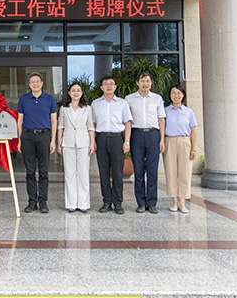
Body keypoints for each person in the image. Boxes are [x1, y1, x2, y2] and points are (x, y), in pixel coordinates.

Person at [125, 71, 166, 214]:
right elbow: (127, 121)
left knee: (152, 171)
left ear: (151, 83)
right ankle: (141, 203)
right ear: (137, 83)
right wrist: (127, 141)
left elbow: (161, 119)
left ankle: (152, 203)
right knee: (139, 171)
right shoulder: (129, 99)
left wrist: (162, 139)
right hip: (136, 135)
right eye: (142, 81)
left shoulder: (157, 98)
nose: (145, 84)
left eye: (148, 81)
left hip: (153, 135)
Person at [17, 72, 58, 214]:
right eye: (32, 82)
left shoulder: (50, 99)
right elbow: (20, 120)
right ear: (29, 85)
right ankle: (32, 202)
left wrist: (53, 140)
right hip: (27, 136)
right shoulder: (23, 99)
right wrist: (19, 140)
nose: (35, 84)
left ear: (42, 83)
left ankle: (43, 202)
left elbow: (54, 121)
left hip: (44, 136)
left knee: (43, 171)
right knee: (29, 172)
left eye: (37, 81)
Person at [91, 75, 132, 215]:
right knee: (103, 173)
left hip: (117, 139)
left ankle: (118, 203)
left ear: (115, 87)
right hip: (101, 139)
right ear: (101, 87)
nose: (108, 86)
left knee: (117, 173)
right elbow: (93, 124)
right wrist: (93, 141)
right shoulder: (96, 103)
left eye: (111, 84)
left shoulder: (122, 103)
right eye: (105, 84)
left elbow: (127, 123)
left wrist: (127, 142)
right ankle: (106, 202)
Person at [57, 82, 95, 213]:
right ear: (69, 92)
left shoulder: (87, 108)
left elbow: (90, 127)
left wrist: (92, 143)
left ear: (82, 92)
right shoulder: (64, 108)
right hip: (68, 143)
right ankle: (71, 203)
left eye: (78, 90)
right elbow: (60, 127)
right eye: (73, 90)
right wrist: (59, 143)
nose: (76, 93)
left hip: (83, 143)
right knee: (69, 174)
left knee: (83, 173)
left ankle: (83, 204)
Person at [163, 83, 197, 214]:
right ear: (170, 95)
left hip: (184, 142)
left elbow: (193, 131)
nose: (176, 96)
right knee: (170, 171)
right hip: (169, 141)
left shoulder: (189, 112)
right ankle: (174, 201)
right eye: (173, 93)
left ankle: (182, 202)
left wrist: (193, 149)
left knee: (185, 172)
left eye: (178, 93)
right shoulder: (165, 111)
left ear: (183, 95)